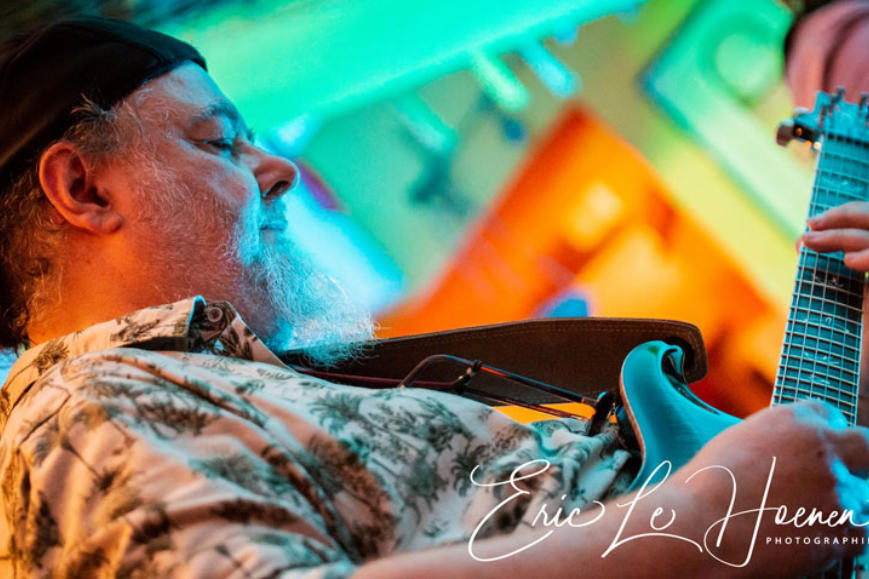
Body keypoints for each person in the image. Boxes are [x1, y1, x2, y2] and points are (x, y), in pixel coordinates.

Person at [0, 15, 868, 578]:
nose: (280, 169)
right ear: (84, 189)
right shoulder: (77, 416)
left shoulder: (222, 387)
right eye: (219, 142)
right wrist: (706, 514)